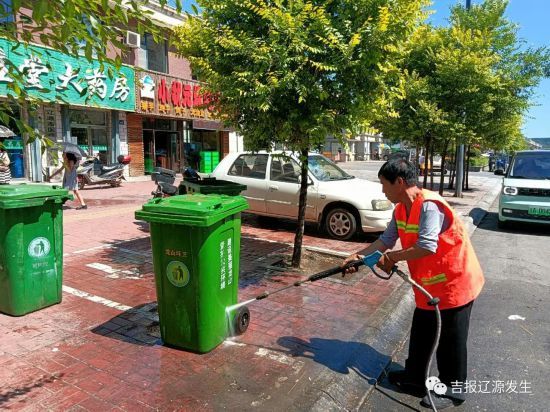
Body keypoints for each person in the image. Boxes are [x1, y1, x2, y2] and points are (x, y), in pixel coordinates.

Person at [342, 158, 484, 410]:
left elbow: (427, 245)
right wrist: (360, 257)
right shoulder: (400, 209)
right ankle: (416, 378)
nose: (382, 190)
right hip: (429, 285)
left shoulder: (429, 205)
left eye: (384, 184)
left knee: (451, 340)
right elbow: (385, 241)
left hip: (455, 282)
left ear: (399, 182)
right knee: (422, 332)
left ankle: (453, 389)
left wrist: (392, 258)